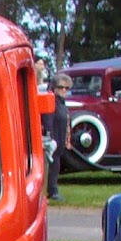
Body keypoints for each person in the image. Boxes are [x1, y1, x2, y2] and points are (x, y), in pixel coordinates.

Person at [43, 72, 72, 201]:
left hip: (60, 141)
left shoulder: (62, 104)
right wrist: (50, 139)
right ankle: (52, 190)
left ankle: (53, 189)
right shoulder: (52, 102)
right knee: (52, 166)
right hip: (53, 141)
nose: (64, 90)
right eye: (60, 87)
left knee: (56, 166)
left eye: (66, 88)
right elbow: (48, 121)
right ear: (54, 87)